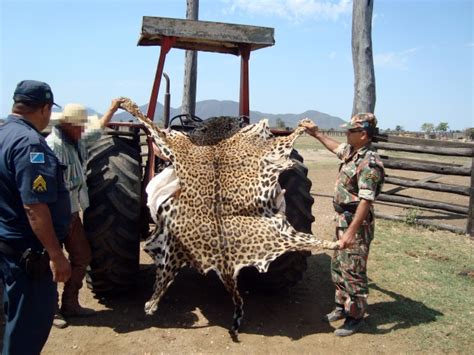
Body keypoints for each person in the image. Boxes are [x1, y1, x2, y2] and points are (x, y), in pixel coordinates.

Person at [0, 80, 72, 354]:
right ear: (43, 108)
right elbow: (35, 207)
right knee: (26, 334)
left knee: (9, 324)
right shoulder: (30, 145)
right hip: (27, 259)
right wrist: (56, 255)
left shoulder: (4, 134)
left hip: (7, 248)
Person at [300, 113, 385, 337]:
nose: (346, 133)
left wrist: (350, 232)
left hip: (355, 222)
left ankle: (355, 317)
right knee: (338, 267)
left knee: (353, 271)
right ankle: (341, 306)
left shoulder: (370, 163)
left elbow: (366, 201)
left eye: (350, 131)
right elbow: (335, 148)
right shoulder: (352, 152)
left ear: (364, 134)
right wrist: (316, 133)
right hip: (342, 219)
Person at [46, 98, 124, 328]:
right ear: (67, 125)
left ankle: (70, 304)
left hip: (71, 213)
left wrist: (111, 109)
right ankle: (52, 311)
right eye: (79, 126)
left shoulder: (76, 141)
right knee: (52, 261)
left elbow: (96, 131)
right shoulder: (53, 147)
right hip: (54, 215)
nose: (82, 130)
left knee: (82, 257)